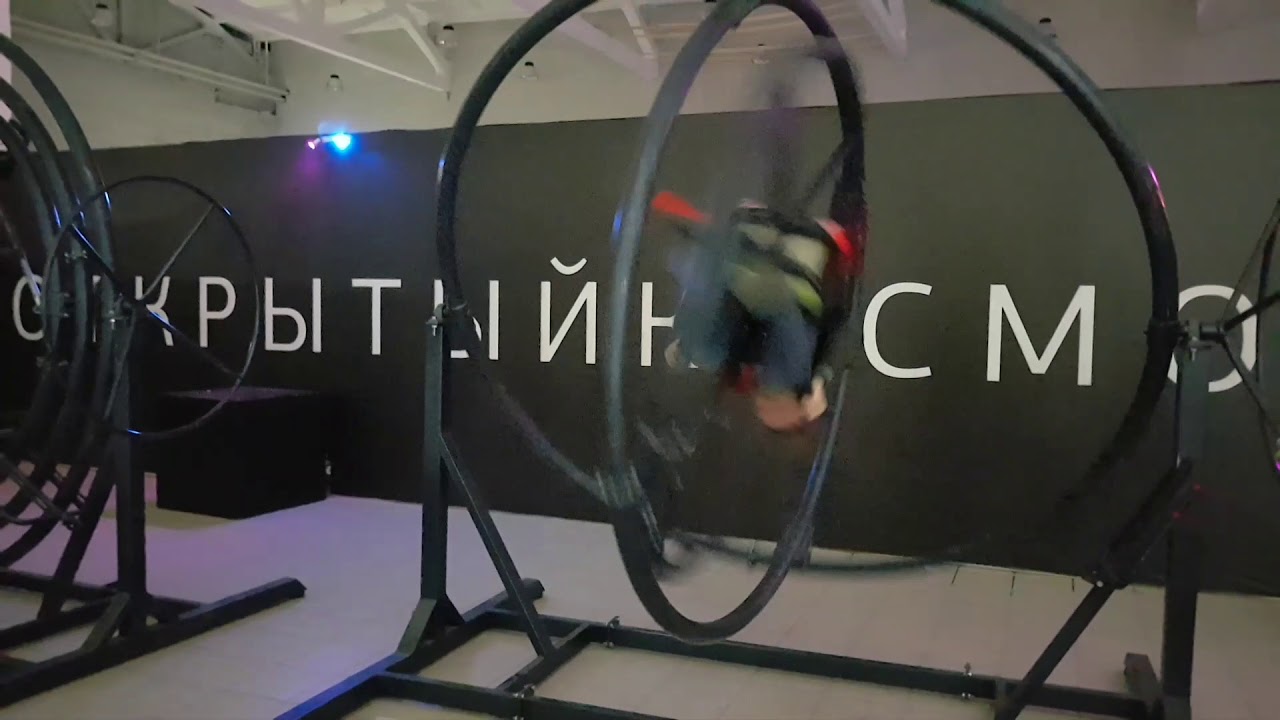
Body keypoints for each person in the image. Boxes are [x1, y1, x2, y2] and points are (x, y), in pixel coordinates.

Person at [652, 191, 863, 433]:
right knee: (783, 366)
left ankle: (751, 243)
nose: (764, 408)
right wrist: (820, 378)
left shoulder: (736, 361)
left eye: (764, 410)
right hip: (792, 258)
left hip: (756, 250)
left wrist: (688, 344)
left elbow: (719, 314)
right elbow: (844, 331)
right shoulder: (800, 371)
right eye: (777, 412)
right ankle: (754, 250)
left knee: (710, 349)